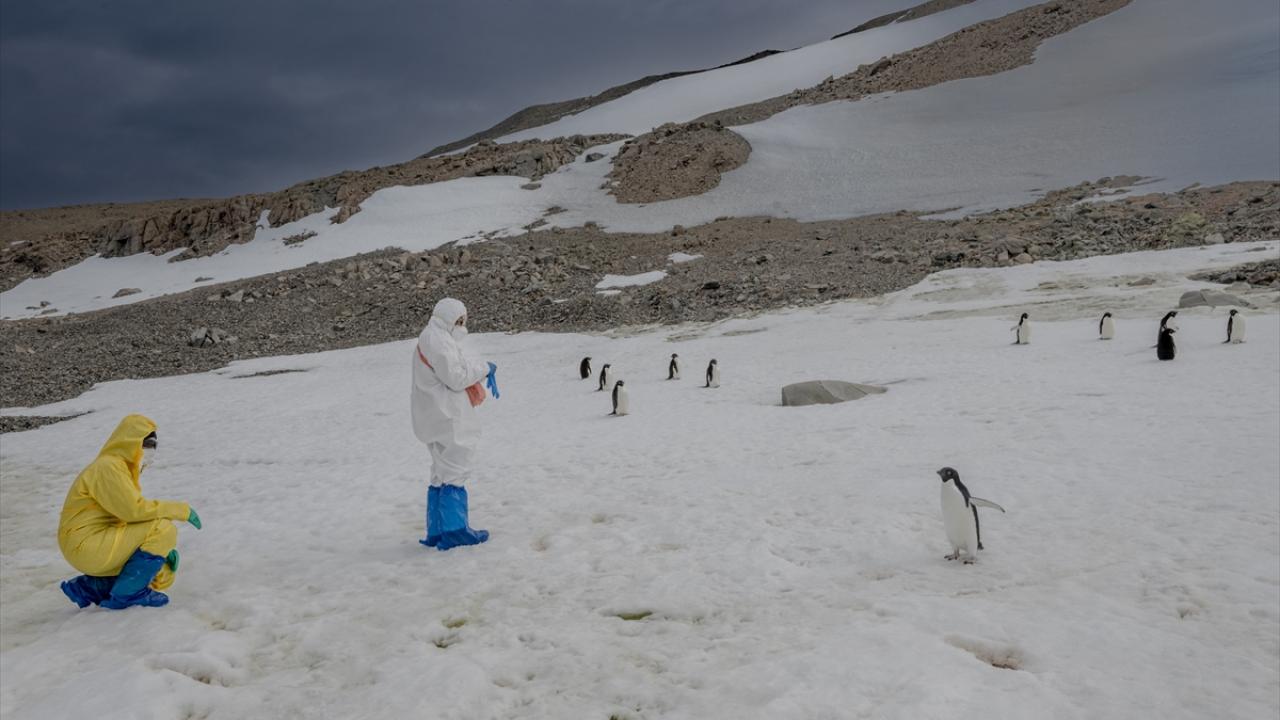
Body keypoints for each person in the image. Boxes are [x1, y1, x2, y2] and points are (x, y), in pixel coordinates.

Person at [57, 414, 202, 609]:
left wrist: (160, 557)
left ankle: (90, 588)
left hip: (89, 543)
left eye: (154, 445)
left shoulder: (118, 468)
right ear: (130, 441)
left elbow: (128, 517)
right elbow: (133, 510)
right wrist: (180, 510)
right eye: (147, 443)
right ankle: (128, 594)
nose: (150, 450)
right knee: (163, 529)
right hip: (85, 544)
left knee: (156, 567)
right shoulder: (108, 467)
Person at [411, 297, 500, 550]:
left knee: (440, 471)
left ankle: (436, 530)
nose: (462, 326)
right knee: (455, 467)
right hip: (447, 416)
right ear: (450, 318)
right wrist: (484, 368)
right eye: (459, 321)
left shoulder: (431, 336)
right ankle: (455, 531)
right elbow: (456, 377)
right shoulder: (438, 341)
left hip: (432, 415)